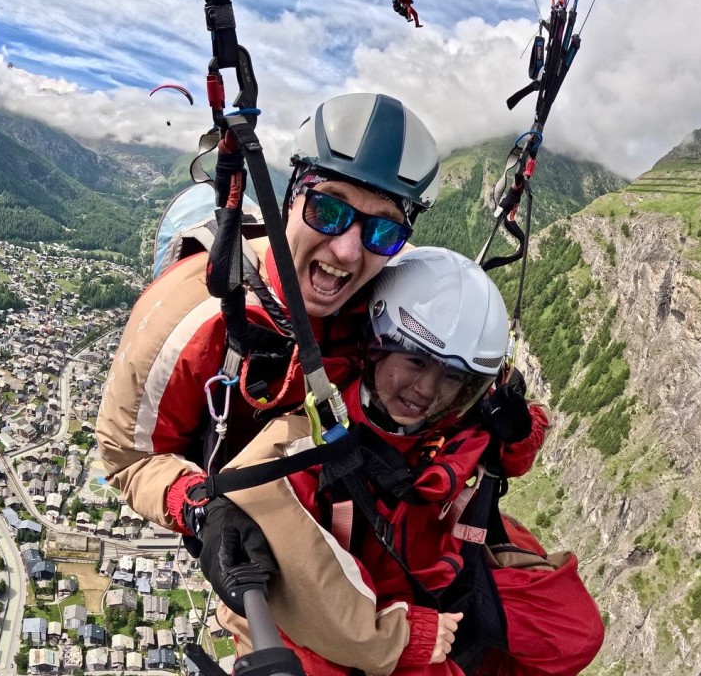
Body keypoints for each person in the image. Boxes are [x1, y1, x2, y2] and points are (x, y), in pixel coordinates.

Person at [205, 247, 605, 676]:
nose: (426, 390)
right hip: (365, 607)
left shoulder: (459, 421)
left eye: (451, 377)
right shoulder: (308, 439)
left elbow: (512, 449)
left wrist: (520, 431)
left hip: (438, 576)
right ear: (376, 346)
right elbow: (301, 580)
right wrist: (404, 634)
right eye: (415, 362)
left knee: (574, 633)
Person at [96, 91, 441, 535]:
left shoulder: (397, 298)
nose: (348, 250)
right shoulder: (190, 311)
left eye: (384, 229)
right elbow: (128, 460)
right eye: (328, 209)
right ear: (291, 200)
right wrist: (195, 504)